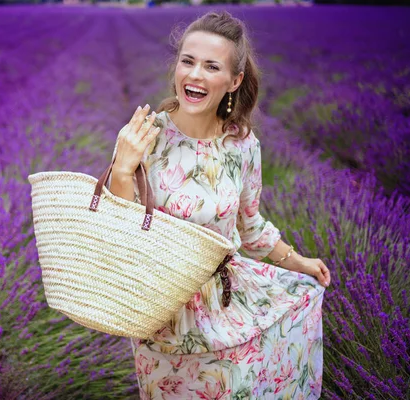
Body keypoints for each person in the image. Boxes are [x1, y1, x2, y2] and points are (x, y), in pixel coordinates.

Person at [108, 11, 330, 400]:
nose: (195, 75)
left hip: (225, 307)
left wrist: (298, 262)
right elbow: (119, 232)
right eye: (187, 61)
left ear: (234, 80)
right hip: (162, 314)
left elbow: (250, 226)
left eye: (212, 66)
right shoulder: (146, 136)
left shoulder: (242, 145)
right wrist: (123, 170)